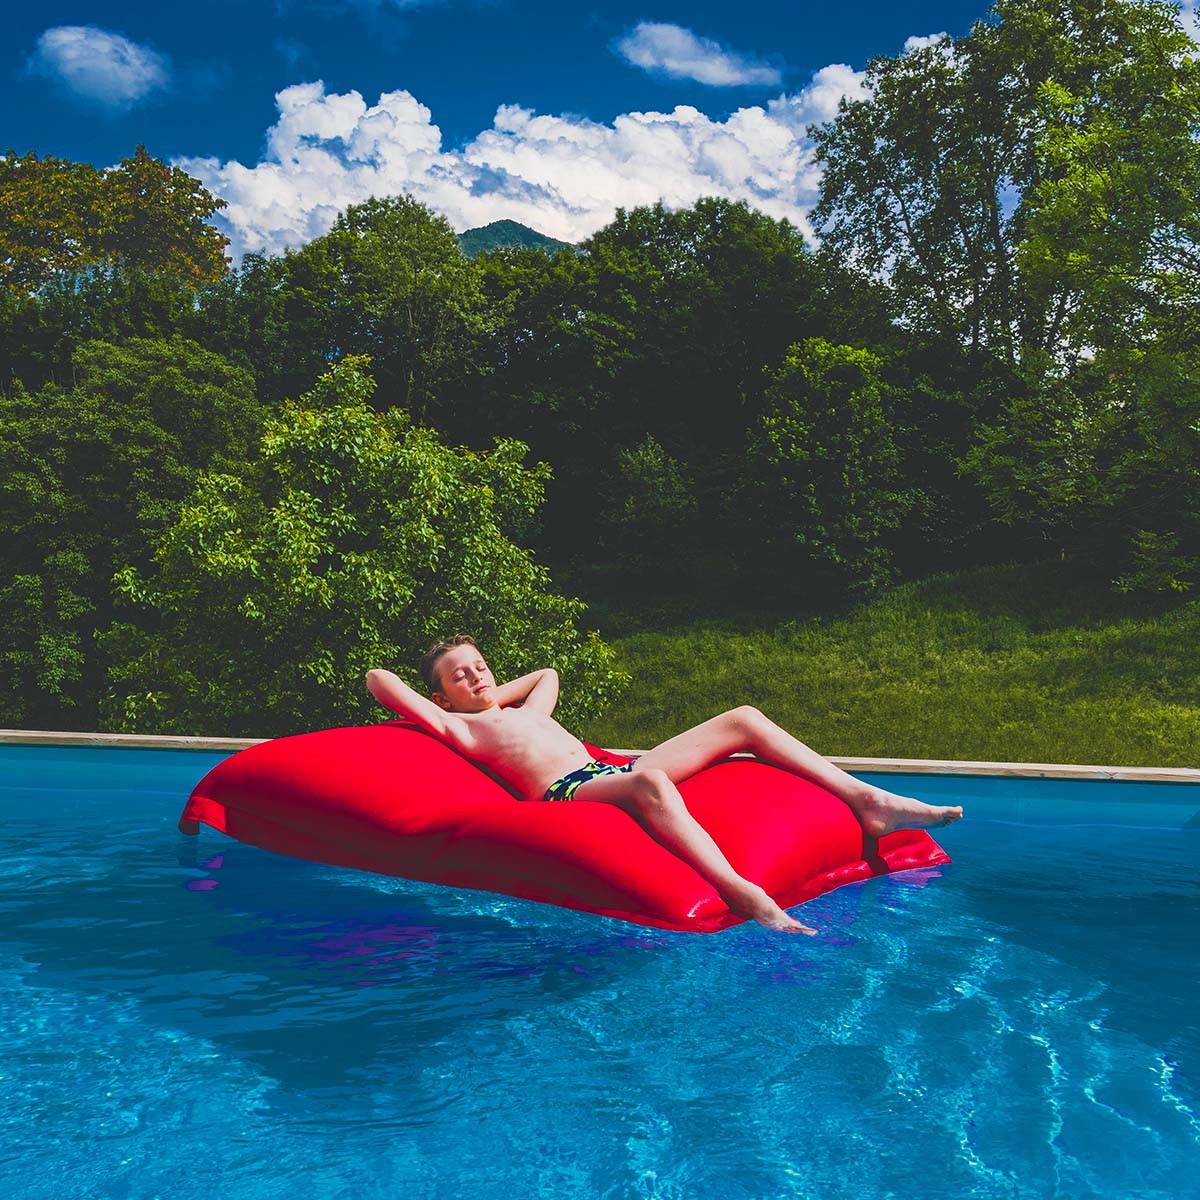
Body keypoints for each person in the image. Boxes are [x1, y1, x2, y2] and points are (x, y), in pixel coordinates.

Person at [366, 635, 962, 935]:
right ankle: (742, 890)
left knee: (745, 718)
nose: (476, 676)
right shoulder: (459, 728)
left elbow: (548, 672)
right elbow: (378, 678)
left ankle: (868, 799)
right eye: (460, 676)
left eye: (480, 665)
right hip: (570, 791)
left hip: (612, 771)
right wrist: (454, 700)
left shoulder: (527, 713)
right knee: (650, 779)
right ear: (441, 697)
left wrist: (489, 686)